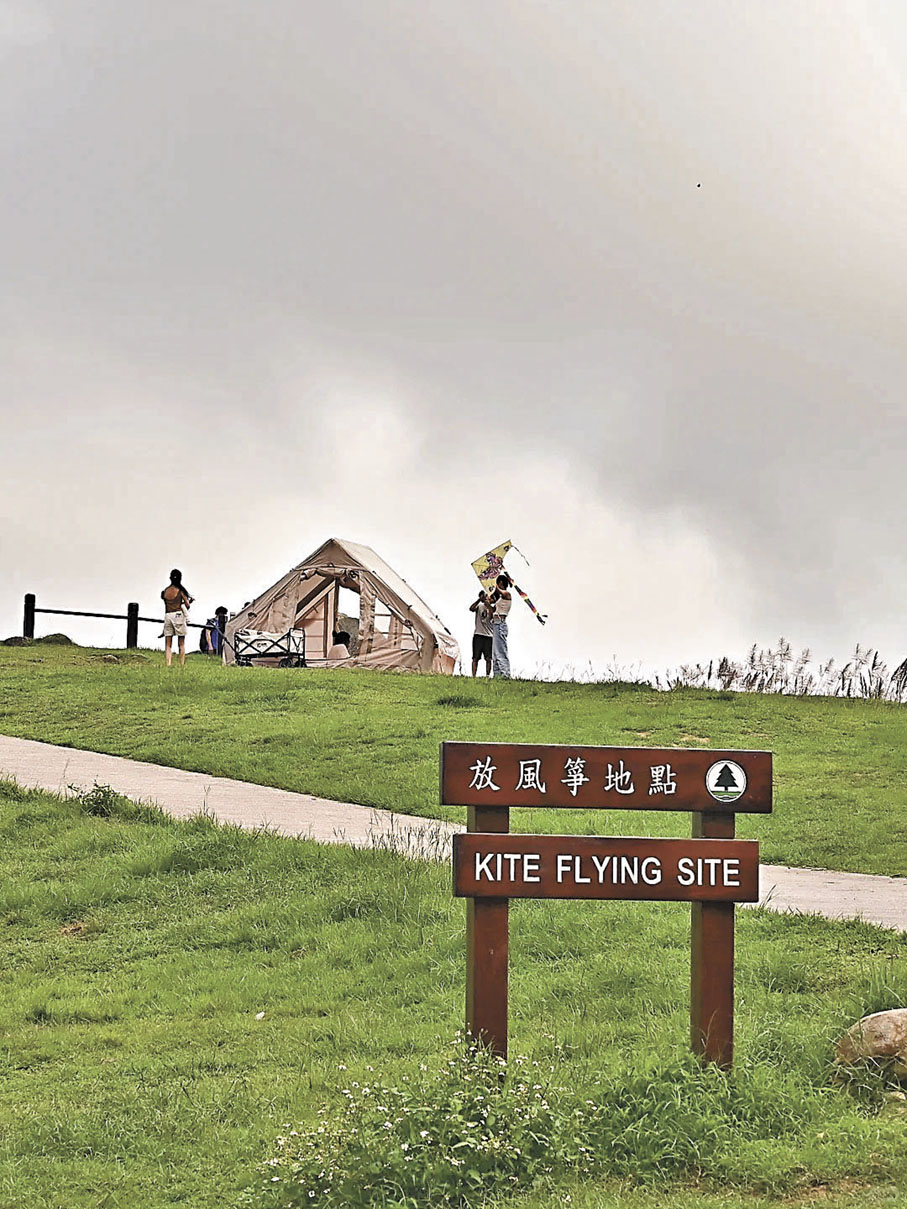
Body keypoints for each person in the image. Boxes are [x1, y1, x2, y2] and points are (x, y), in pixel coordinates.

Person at [161, 568, 194, 667]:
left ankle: (168, 664)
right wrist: (189, 602)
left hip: (168, 615)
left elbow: (166, 603)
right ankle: (182, 664)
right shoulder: (180, 591)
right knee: (181, 643)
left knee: (168, 644)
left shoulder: (165, 592)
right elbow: (187, 605)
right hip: (178, 615)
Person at [489, 573, 512, 678]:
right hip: (495, 624)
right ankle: (497, 674)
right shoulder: (499, 599)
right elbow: (492, 610)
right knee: (495, 652)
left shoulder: (507, 595)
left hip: (500, 624)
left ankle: (505, 674)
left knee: (501, 650)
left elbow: (499, 591)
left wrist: (492, 581)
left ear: (501, 583)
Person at [469, 590, 493, 677]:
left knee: (488, 658)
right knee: (475, 658)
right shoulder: (479, 606)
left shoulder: (492, 607)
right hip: (478, 634)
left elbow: (493, 615)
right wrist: (479, 600)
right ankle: (473, 676)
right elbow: (471, 608)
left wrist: (488, 605)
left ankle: (487, 675)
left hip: (489, 636)